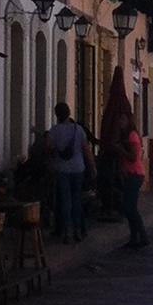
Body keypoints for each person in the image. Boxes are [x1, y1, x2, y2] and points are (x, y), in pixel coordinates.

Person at [46, 99, 90, 242]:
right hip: (78, 168)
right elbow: (86, 150)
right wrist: (93, 167)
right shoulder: (78, 129)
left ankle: (67, 231)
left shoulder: (54, 130)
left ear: (56, 114)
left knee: (65, 201)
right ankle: (78, 230)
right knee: (77, 200)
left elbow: (49, 148)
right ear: (69, 113)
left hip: (62, 169)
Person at [119, 119, 149, 249]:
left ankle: (142, 236)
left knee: (129, 207)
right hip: (130, 175)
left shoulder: (132, 136)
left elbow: (132, 156)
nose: (121, 123)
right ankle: (135, 237)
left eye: (123, 120)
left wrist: (121, 149)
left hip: (135, 175)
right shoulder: (128, 136)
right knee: (129, 208)